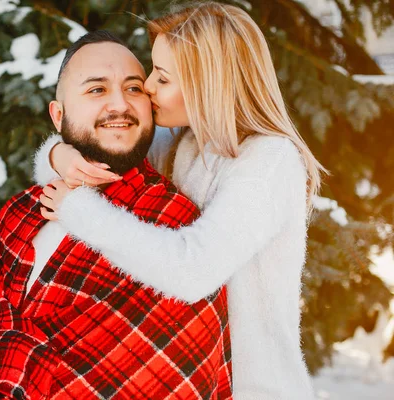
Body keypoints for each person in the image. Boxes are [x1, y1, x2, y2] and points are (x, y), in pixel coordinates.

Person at [34, 3, 326, 400]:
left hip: (254, 389)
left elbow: (192, 270)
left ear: (209, 83)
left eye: (163, 77)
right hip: (188, 382)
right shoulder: (185, 143)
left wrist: (79, 210)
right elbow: (102, 145)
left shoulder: (269, 161)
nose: (148, 86)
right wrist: (58, 155)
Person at [0, 30, 232, 400]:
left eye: (134, 88)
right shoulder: (21, 213)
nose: (120, 105)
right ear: (58, 115)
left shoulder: (175, 226)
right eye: (97, 90)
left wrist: (9, 349)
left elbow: (158, 379)